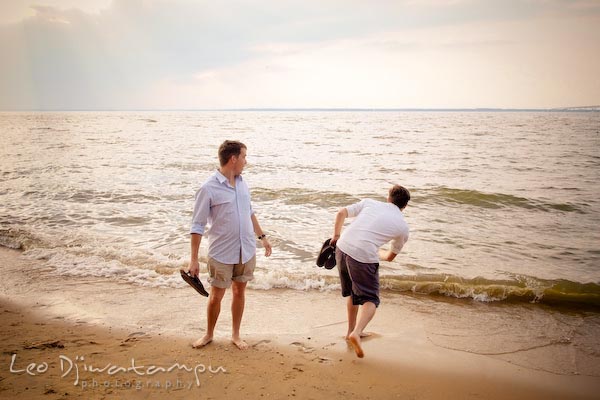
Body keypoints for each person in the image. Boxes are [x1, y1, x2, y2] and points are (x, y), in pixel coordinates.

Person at [189, 140, 272, 350]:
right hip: (221, 253)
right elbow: (197, 225)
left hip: (246, 250)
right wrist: (193, 259)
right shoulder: (208, 188)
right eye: (244, 156)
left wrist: (262, 237)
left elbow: (249, 211)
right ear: (233, 159)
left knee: (239, 292)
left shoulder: (243, 183)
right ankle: (209, 334)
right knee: (217, 295)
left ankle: (236, 335)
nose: (246, 161)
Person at [331, 185, 410, 358]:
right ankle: (357, 332)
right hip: (362, 256)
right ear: (405, 206)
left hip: (342, 247)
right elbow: (389, 256)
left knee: (353, 292)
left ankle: (350, 331)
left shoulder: (370, 203)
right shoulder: (403, 227)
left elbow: (341, 213)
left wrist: (336, 236)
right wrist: (375, 252)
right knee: (371, 299)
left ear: (388, 198)